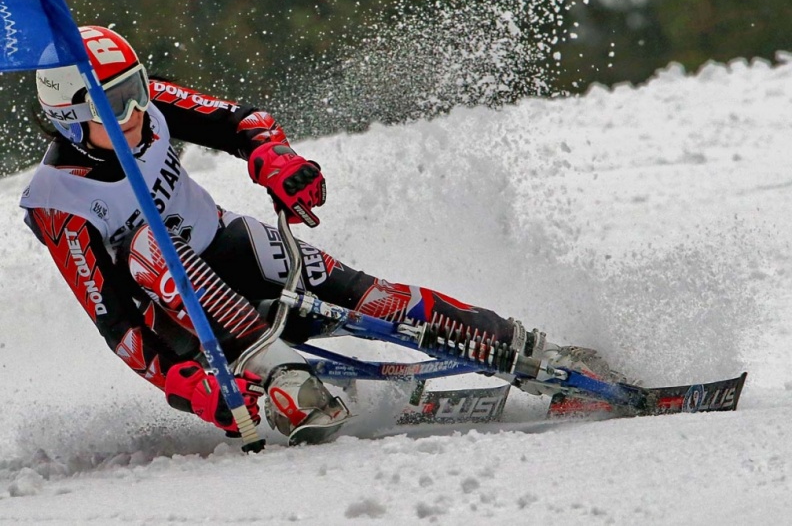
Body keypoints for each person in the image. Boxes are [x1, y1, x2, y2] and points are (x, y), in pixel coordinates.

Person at [21, 26, 621, 445]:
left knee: (372, 297)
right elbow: (118, 325)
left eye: (135, 90)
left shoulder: (148, 108)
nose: (133, 113)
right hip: (181, 323)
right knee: (149, 250)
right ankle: (284, 381)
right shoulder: (58, 201)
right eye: (113, 104)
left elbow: (241, 122)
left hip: (232, 251)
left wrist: (276, 161)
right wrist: (195, 389)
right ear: (71, 117)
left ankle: (535, 353)